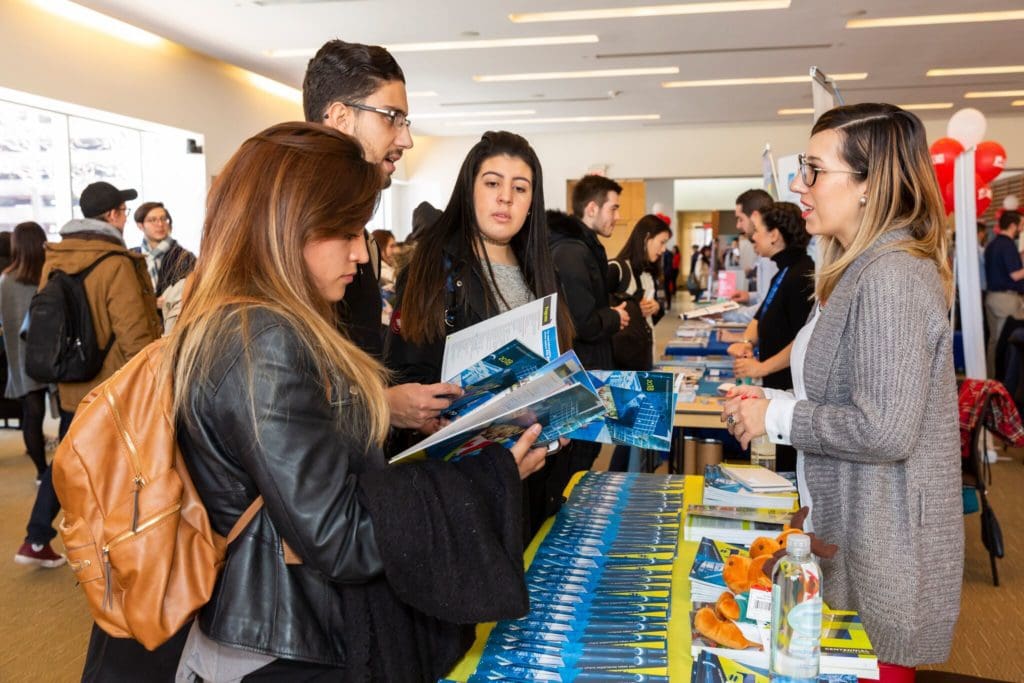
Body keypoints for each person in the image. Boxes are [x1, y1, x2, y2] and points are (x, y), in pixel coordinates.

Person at [83, 123, 551, 681]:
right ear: (287, 226)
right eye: (346, 231)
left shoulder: (252, 320)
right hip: (284, 640)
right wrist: (486, 476)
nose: (361, 252)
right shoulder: (262, 337)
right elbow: (341, 536)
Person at [722, 103, 962, 678]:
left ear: (868, 185)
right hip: (854, 527)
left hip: (886, 546)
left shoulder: (891, 276)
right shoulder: (858, 267)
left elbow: (884, 428)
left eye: (814, 170)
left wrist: (776, 417)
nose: (800, 187)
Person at [386, 130, 574, 537]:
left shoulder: (542, 274)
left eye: (519, 188)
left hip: (533, 481)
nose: (505, 197)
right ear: (469, 191)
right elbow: (401, 375)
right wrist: (427, 412)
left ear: (531, 202)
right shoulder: (432, 271)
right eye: (492, 183)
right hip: (461, 495)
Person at [304, 38, 461, 432]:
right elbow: (280, 407)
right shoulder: (284, 232)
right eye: (392, 117)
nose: (406, 139)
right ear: (340, 118)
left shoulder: (363, 240)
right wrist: (384, 407)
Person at [15, 182, 161, 571]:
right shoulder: (116, 263)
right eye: (124, 213)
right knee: (116, 471)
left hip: (70, 383)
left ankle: (36, 536)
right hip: (112, 389)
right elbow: (135, 335)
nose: (125, 219)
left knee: (67, 461)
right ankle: (110, 548)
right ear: (113, 216)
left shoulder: (56, 257)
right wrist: (153, 385)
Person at [547, 175, 630, 474]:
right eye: (614, 208)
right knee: (577, 460)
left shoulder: (582, 247)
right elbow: (582, 322)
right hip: (582, 375)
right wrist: (614, 316)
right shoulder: (572, 252)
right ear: (592, 209)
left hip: (590, 369)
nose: (618, 217)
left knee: (586, 455)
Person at [725, 202, 814, 472]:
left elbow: (803, 341)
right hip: (777, 389)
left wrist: (760, 367)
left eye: (759, 230)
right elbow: (762, 315)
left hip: (789, 396)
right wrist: (746, 343)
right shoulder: (784, 271)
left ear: (775, 234)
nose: (753, 236)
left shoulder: (801, 274)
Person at [605, 214, 670, 471]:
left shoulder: (648, 274)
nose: (663, 249)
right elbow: (597, 308)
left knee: (638, 433)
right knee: (629, 432)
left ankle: (629, 480)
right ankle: (620, 483)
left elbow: (655, 312)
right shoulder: (617, 269)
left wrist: (656, 307)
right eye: (661, 242)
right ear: (646, 238)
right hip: (623, 362)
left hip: (643, 357)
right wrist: (630, 307)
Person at [0, 223, 49, 482]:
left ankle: (42, 472)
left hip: (20, 359)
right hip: (51, 354)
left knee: (32, 416)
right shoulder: (49, 275)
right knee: (66, 412)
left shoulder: (5, 280)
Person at [725, 189, 778, 323]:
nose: (738, 226)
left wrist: (727, 315)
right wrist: (749, 296)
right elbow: (766, 295)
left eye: (740, 219)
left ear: (755, 217)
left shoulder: (772, 255)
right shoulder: (763, 251)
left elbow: (768, 308)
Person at [984, 210, 1024, 377]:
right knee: (1008, 340)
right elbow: (1015, 275)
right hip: (1006, 300)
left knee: (994, 340)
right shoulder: (1007, 245)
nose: (1022, 228)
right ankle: (1004, 380)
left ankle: (991, 377)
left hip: (992, 297)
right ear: (1013, 225)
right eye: (1021, 224)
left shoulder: (992, 244)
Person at [130, 201, 196, 301]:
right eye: (152, 220)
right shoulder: (131, 256)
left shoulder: (184, 257)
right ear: (140, 225)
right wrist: (151, 303)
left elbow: (193, 293)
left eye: (164, 219)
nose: (160, 224)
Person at [371, 228, 397, 325]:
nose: (395, 251)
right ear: (380, 248)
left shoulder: (390, 267)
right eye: (391, 246)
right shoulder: (381, 271)